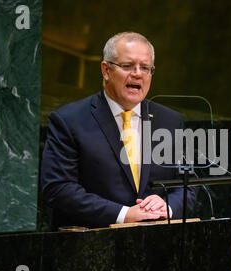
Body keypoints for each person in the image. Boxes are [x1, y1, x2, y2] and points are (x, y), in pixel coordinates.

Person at [40, 31, 196, 230]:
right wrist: (124, 214)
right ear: (106, 70)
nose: (138, 73)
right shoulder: (69, 121)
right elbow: (58, 188)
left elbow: (189, 185)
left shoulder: (171, 122)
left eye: (145, 68)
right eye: (128, 66)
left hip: (158, 245)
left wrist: (167, 207)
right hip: (92, 247)